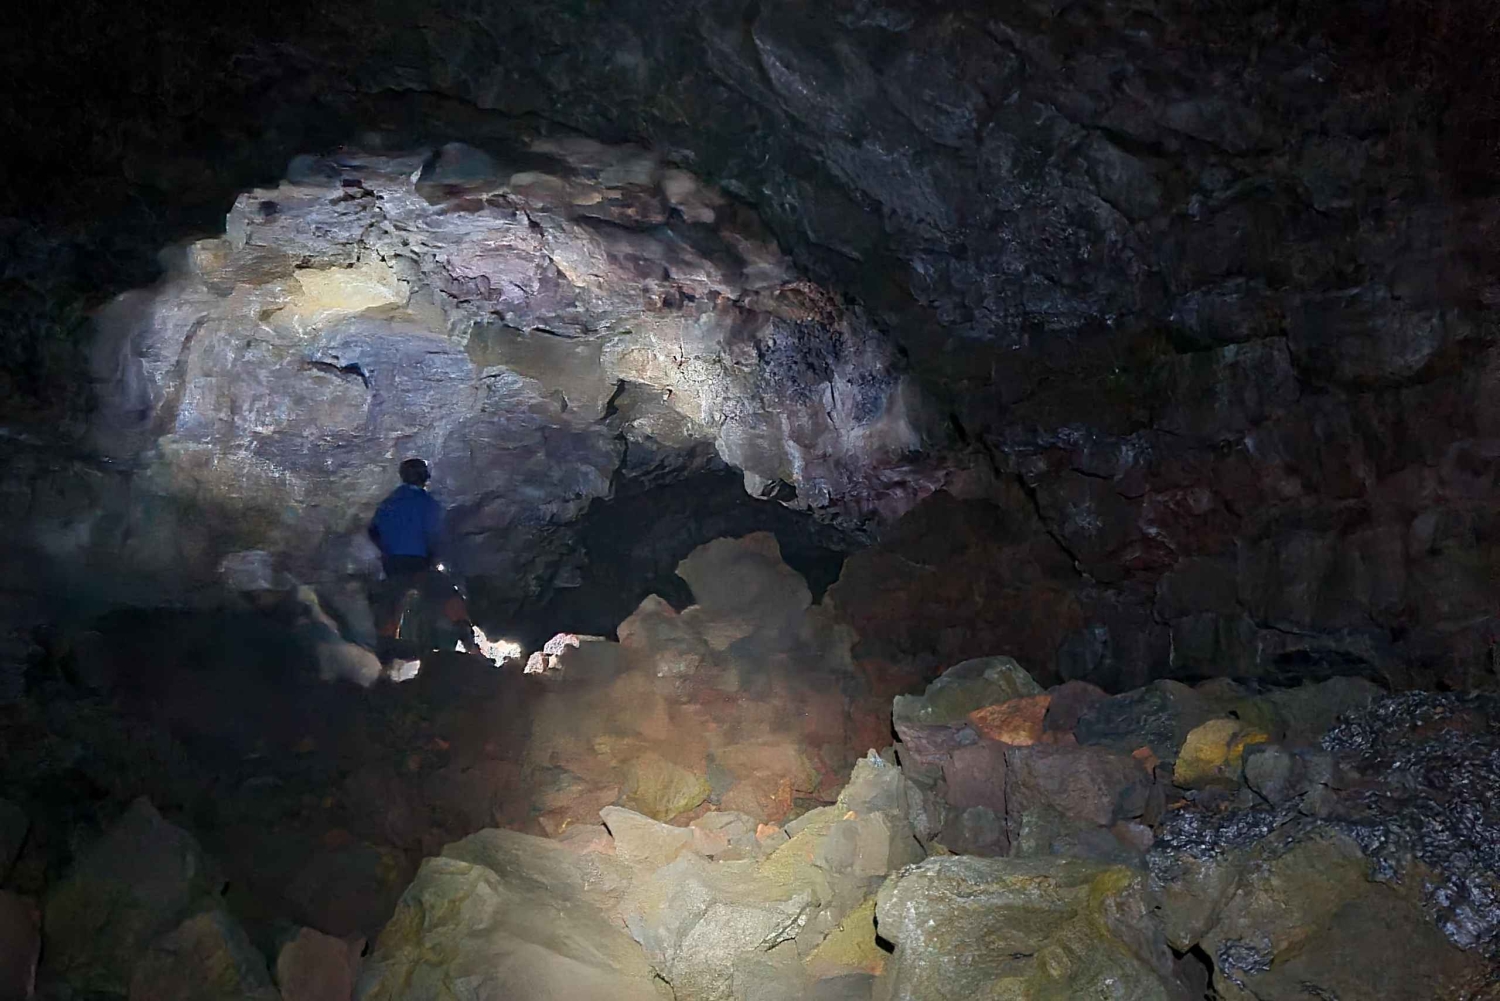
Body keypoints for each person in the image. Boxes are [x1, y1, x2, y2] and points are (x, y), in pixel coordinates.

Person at [368, 458, 473, 657]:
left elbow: (374, 530)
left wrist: (387, 550)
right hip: (419, 565)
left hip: (393, 565)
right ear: (425, 477)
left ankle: (384, 652)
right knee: (450, 598)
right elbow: (436, 536)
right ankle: (471, 646)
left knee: (391, 605)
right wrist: (436, 559)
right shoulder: (428, 503)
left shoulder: (389, 502)